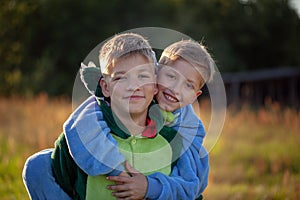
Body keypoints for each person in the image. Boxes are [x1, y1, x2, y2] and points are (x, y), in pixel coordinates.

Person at [23, 35, 214, 199]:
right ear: (157, 75)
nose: (175, 89)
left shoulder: (185, 127)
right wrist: (119, 169)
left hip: (163, 183)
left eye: (188, 85)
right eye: (171, 77)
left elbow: (193, 184)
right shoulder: (103, 107)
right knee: (39, 163)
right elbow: (82, 123)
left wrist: (149, 187)